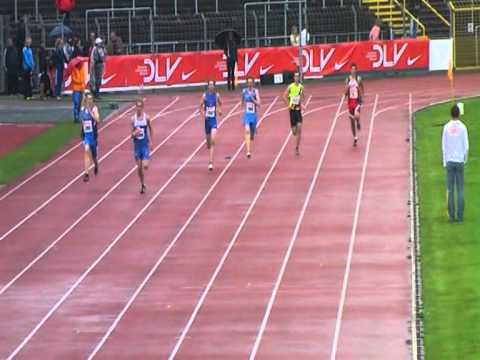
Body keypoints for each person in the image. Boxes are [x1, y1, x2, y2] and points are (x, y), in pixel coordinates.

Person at [442, 105, 469, 223]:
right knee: (460, 190)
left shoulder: (446, 127)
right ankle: (460, 217)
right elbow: (466, 146)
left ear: (451, 114)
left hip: (449, 161)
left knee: (450, 190)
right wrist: (464, 158)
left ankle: (452, 217)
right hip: (459, 161)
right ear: (459, 114)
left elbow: (444, 145)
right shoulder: (463, 127)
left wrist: (445, 161)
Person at [131, 98, 154, 194]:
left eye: (140, 106)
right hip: (137, 146)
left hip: (144, 145)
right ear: (135, 107)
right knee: (139, 167)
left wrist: (152, 142)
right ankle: (142, 184)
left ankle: (143, 184)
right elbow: (131, 135)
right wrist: (134, 134)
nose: (139, 108)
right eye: (137, 106)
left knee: (145, 166)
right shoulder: (133, 119)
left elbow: (151, 129)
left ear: (143, 107)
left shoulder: (147, 118)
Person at [200, 80, 222, 171]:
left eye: (213, 85)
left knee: (213, 141)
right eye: (210, 85)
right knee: (208, 143)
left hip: (213, 121)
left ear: (214, 86)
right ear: (208, 86)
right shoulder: (204, 96)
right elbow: (200, 107)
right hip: (207, 121)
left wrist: (220, 110)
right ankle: (208, 143)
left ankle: (210, 162)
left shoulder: (217, 95)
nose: (211, 86)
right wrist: (203, 114)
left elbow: (220, 103)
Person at [283, 72, 305, 156]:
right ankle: (293, 129)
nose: (296, 78)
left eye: (298, 76)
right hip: (292, 111)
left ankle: (297, 148)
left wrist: (301, 103)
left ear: (299, 78)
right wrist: (289, 104)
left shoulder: (301, 87)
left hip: (298, 110)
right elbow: (284, 96)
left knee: (299, 127)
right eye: (295, 76)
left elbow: (303, 97)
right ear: (293, 78)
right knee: (294, 132)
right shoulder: (290, 87)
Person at [81, 92, 100, 182]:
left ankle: (96, 165)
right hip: (86, 136)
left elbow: (98, 120)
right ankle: (86, 173)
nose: (90, 100)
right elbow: (83, 121)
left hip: (93, 136)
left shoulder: (94, 109)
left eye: (91, 99)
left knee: (94, 157)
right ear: (85, 100)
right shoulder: (83, 109)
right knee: (86, 150)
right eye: (88, 99)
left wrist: (91, 114)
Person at [344, 63, 364, 147]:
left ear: (356, 70)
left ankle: (358, 122)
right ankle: (355, 137)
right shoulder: (347, 79)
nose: (353, 71)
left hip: (357, 101)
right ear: (350, 70)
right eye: (352, 69)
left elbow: (362, 88)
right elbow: (345, 93)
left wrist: (362, 96)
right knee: (352, 121)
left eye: (354, 69)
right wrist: (347, 87)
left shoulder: (358, 79)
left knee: (356, 115)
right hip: (350, 101)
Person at [241, 76, 261, 158]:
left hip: (253, 114)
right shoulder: (244, 91)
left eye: (250, 82)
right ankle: (248, 151)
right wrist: (243, 105)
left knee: (252, 135)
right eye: (248, 82)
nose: (249, 84)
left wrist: (252, 98)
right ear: (247, 83)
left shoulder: (255, 91)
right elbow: (242, 101)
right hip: (247, 114)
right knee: (247, 130)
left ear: (253, 83)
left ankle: (253, 133)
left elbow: (259, 104)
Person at [22, 36, 34, 100]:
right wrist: (30, 65)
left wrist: (33, 64)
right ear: (26, 42)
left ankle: (30, 94)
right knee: (26, 81)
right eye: (28, 42)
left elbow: (31, 58)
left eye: (30, 42)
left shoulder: (30, 49)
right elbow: (26, 59)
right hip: (26, 67)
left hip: (30, 67)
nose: (29, 43)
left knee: (29, 81)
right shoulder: (24, 49)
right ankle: (26, 95)